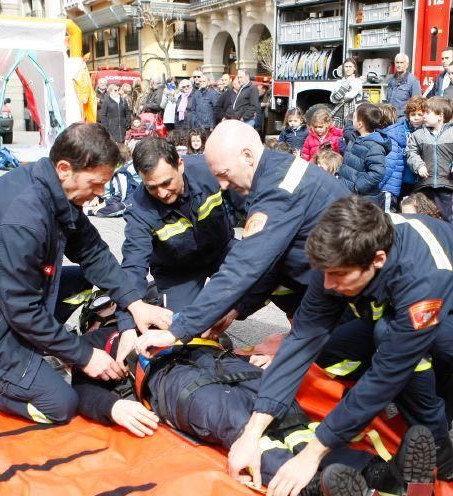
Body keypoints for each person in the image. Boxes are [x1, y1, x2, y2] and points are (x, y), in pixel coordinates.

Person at [210, 197, 453, 496]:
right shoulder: (339, 250)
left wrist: (313, 453)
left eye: (339, 276)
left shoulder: (424, 278)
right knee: (331, 349)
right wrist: (252, 432)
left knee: (389, 339)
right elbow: (304, 337)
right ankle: (447, 390)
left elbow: (387, 375)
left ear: (378, 260)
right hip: (414, 314)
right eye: (324, 273)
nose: (328, 285)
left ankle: (438, 446)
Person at [0, 123, 169, 424]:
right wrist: (84, 356)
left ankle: (36, 349)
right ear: (65, 168)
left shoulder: (56, 190)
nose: (101, 194)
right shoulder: (22, 221)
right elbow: (23, 312)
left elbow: (93, 252)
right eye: (96, 183)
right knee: (59, 405)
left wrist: (134, 303)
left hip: (6, 296)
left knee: (92, 282)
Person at [84, 327, 438, 496]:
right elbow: (81, 390)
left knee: (288, 415)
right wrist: (113, 407)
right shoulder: (96, 343)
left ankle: (378, 474)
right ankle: (317, 492)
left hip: (215, 357)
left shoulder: (151, 302)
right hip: (172, 379)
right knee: (239, 425)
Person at [133, 120, 350, 348]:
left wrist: (179, 329)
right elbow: (270, 260)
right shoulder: (278, 170)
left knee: (313, 355)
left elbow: (246, 265)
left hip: (344, 295)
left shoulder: (276, 193)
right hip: (333, 283)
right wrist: (236, 309)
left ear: (247, 155)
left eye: (225, 174)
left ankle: (315, 339)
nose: (223, 185)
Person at [118, 136, 237, 357]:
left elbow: (248, 202)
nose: (162, 193)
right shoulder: (139, 210)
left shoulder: (209, 171)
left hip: (222, 251)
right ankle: (157, 296)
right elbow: (132, 267)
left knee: (269, 269)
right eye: (152, 187)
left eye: (166, 183)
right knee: (182, 334)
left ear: (180, 165)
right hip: (177, 271)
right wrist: (126, 325)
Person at [405, 97, 453, 222]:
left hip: (446, 182)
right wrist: (419, 165)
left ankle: (449, 238)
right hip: (425, 183)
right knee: (424, 216)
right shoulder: (418, 134)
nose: (424, 116)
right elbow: (411, 152)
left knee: (446, 216)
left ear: (440, 116)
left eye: (428, 113)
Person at [337, 104, 391, 208]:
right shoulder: (356, 137)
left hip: (362, 199)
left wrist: (358, 186)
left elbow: (378, 172)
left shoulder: (374, 146)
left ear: (360, 124)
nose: (352, 120)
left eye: (354, 117)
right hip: (348, 194)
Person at [329, 58, 363, 127]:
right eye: (346, 67)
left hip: (353, 113)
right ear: (343, 68)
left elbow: (349, 96)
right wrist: (347, 83)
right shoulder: (338, 82)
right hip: (339, 113)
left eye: (350, 67)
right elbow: (334, 99)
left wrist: (340, 93)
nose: (348, 69)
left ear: (354, 68)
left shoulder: (357, 81)